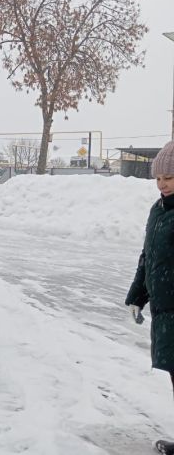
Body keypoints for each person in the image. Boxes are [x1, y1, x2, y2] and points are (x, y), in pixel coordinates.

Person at [125, 141, 174, 455]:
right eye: (159, 178)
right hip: (166, 311)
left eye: (169, 178)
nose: (163, 184)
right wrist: (137, 296)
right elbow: (148, 257)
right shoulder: (157, 211)